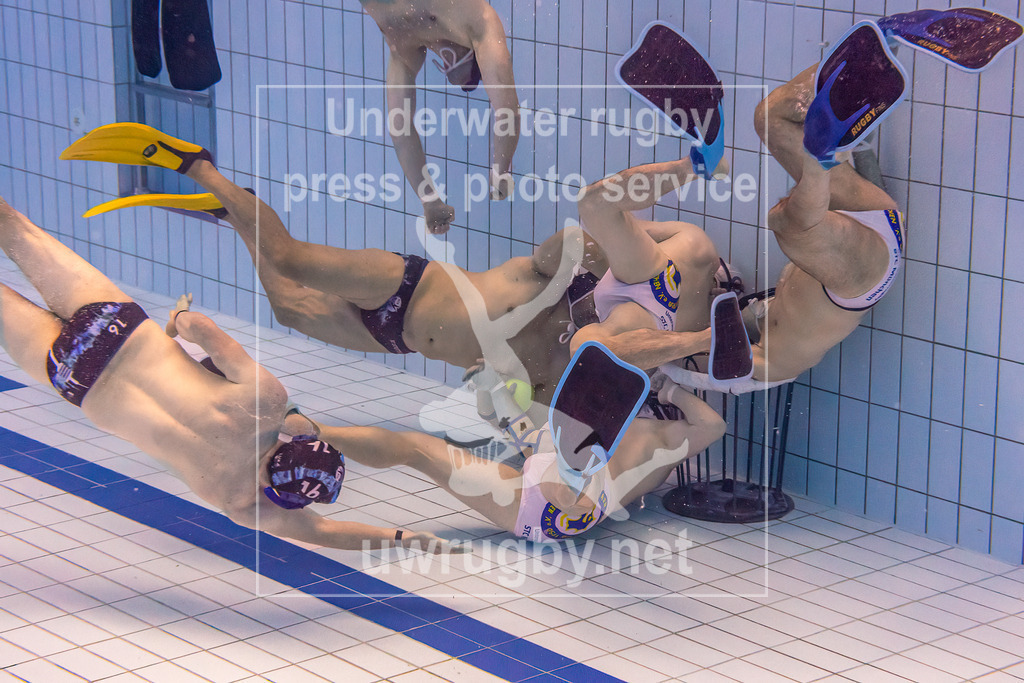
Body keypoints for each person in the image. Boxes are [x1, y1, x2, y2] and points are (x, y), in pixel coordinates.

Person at [0, 197, 459, 553]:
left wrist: (178, 319)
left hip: (118, 327)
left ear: (294, 441)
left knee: (13, 228)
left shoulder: (266, 401)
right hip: (75, 379)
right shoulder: (241, 500)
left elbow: (204, 330)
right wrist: (405, 540)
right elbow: (326, 532)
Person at [315, 374, 725, 543]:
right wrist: (672, 390)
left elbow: (711, 426)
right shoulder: (664, 443)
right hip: (564, 517)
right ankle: (566, 476)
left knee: (413, 448)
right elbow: (712, 427)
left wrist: (668, 388)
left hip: (565, 500)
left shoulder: (657, 433)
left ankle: (310, 429)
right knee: (548, 452)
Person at [359, 0, 520, 233]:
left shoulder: (405, 51)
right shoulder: (481, 20)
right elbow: (507, 111)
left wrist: (430, 201)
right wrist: (501, 171)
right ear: (476, 56)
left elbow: (400, 130)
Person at [569, 155, 731, 370]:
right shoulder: (612, 314)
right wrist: (606, 236)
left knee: (590, 351)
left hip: (691, 321)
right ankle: (694, 165)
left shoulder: (642, 338)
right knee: (592, 204)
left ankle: (707, 340)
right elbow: (637, 232)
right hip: (691, 248)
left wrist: (701, 340)